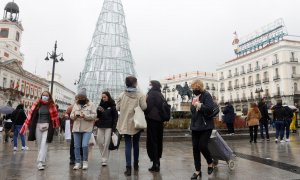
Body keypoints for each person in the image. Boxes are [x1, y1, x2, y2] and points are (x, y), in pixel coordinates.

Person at [20, 91, 60, 170]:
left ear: (49, 97)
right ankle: (43, 160)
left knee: (44, 144)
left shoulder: (52, 106)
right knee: (39, 145)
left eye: (47, 95)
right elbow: (30, 115)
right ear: (41, 96)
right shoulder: (37, 104)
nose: (45, 97)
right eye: (43, 95)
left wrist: (55, 127)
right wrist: (27, 125)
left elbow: (55, 118)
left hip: (48, 127)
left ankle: (40, 162)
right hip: (37, 126)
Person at [116, 76, 147, 176]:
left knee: (128, 145)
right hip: (136, 123)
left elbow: (117, 107)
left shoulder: (122, 95)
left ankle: (128, 168)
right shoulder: (140, 95)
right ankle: (136, 164)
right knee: (136, 144)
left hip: (125, 123)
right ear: (135, 83)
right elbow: (144, 107)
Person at [190, 79, 215, 179]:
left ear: (200, 87)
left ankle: (210, 162)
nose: (194, 89)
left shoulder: (206, 95)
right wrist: (193, 106)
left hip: (205, 126)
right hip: (195, 126)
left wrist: (199, 105)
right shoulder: (194, 96)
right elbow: (192, 110)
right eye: (193, 88)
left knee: (202, 146)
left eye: (196, 88)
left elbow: (210, 109)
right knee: (195, 148)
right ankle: (197, 170)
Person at [70, 88, 96, 170]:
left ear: (85, 97)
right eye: (79, 97)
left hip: (87, 128)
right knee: (76, 146)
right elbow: (71, 115)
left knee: (84, 145)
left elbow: (94, 115)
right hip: (76, 128)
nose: (80, 99)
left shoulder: (91, 104)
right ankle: (77, 162)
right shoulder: (75, 105)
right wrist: (75, 115)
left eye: (82, 97)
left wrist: (85, 116)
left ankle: (85, 161)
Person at [144, 80, 164, 172]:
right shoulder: (160, 94)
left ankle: (155, 163)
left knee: (153, 141)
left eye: (150, 85)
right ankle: (157, 162)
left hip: (152, 120)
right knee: (159, 141)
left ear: (152, 86)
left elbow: (147, 107)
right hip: (160, 120)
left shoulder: (151, 94)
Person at [95, 91, 118, 166]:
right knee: (99, 141)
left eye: (104, 97)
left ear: (108, 96)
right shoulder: (100, 105)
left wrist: (113, 128)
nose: (103, 98)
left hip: (109, 126)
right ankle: (104, 156)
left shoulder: (112, 106)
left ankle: (104, 159)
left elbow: (115, 117)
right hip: (101, 125)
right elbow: (98, 117)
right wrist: (98, 111)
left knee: (107, 143)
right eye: (102, 97)